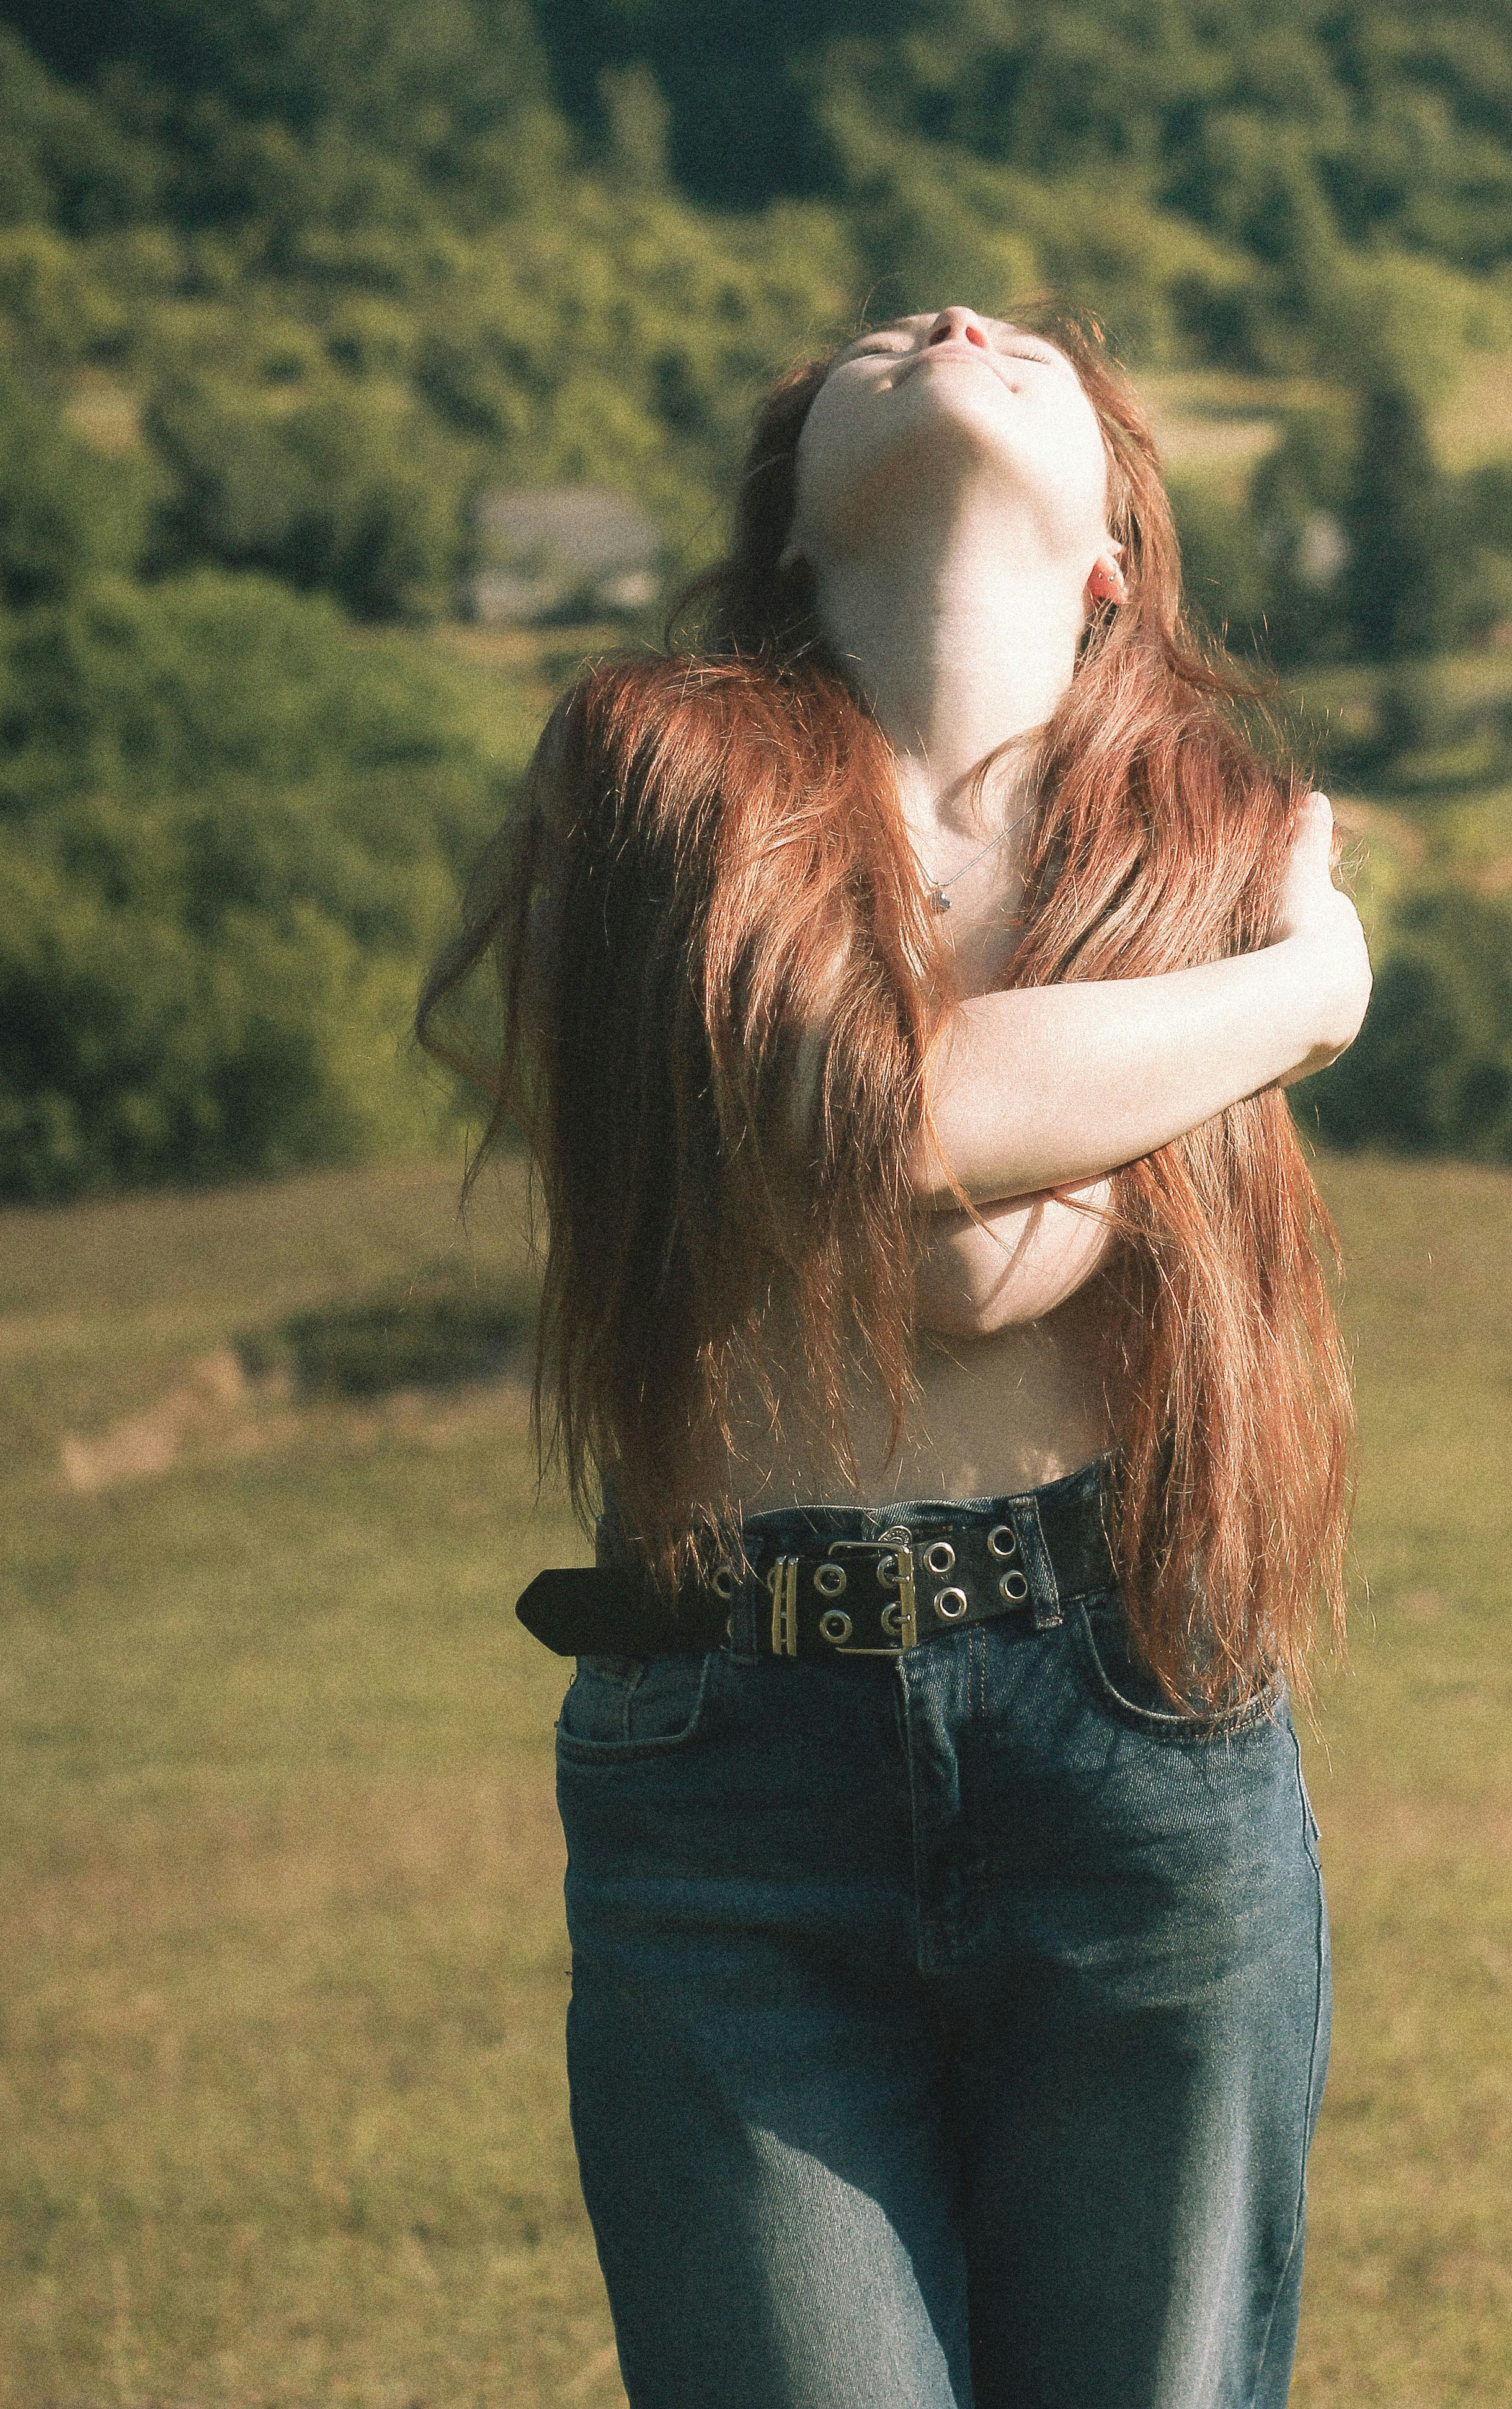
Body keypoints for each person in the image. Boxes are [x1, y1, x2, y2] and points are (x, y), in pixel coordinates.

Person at [420, 303, 1372, 2409]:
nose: (951, 325)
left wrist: (1216, 988)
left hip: (1135, 1715)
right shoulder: (655, 772)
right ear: (789, 537)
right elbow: (902, 1130)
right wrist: (1304, 999)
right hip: (732, 1763)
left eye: (1021, 342)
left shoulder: (1209, 825)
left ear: (1114, 550)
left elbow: (976, 1261)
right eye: (883, 339)